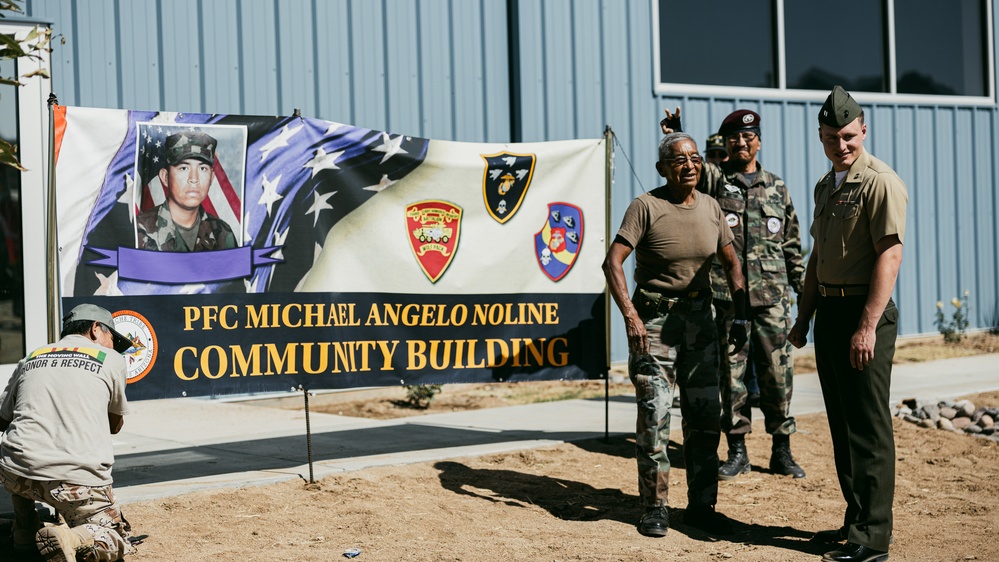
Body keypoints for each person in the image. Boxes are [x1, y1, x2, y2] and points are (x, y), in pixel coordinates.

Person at [603, 132, 748, 538]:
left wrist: (740, 315)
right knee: (655, 415)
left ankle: (703, 507)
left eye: (695, 158)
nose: (689, 165)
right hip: (654, 325)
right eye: (679, 159)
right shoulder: (645, 207)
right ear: (663, 168)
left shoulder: (712, 207)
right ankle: (655, 507)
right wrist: (630, 317)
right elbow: (612, 263)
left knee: (704, 418)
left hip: (701, 324)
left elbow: (732, 262)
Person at [789, 85, 907, 562]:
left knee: (869, 428)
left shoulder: (880, 181)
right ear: (820, 137)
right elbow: (819, 256)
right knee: (842, 425)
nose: (842, 145)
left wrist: (866, 326)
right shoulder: (826, 185)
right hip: (831, 314)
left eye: (849, 136)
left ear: (863, 130)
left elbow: (890, 253)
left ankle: (873, 537)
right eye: (832, 137)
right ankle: (856, 520)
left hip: (864, 314)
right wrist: (804, 316)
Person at [664, 109, 806, 481]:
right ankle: (738, 450)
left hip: (772, 300)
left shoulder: (777, 187)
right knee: (732, 378)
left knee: (779, 376)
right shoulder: (715, 183)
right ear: (725, 144)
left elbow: (792, 246)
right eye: (733, 139)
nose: (741, 143)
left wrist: (804, 293)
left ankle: (782, 450)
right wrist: (679, 133)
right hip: (728, 302)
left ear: (758, 140)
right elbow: (693, 168)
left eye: (748, 137)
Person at [1, 303, 136, 561]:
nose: (113, 346)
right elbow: (114, 426)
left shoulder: (32, 356)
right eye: (112, 338)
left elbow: (2, 419)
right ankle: (69, 537)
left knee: (23, 455)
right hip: (75, 482)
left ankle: (24, 530)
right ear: (96, 329)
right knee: (115, 537)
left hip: (14, 474)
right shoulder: (111, 360)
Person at [136, 131, 237, 252]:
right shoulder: (138, 230)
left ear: (211, 178)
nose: (194, 179)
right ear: (165, 177)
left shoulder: (222, 233)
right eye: (184, 168)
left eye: (202, 168)